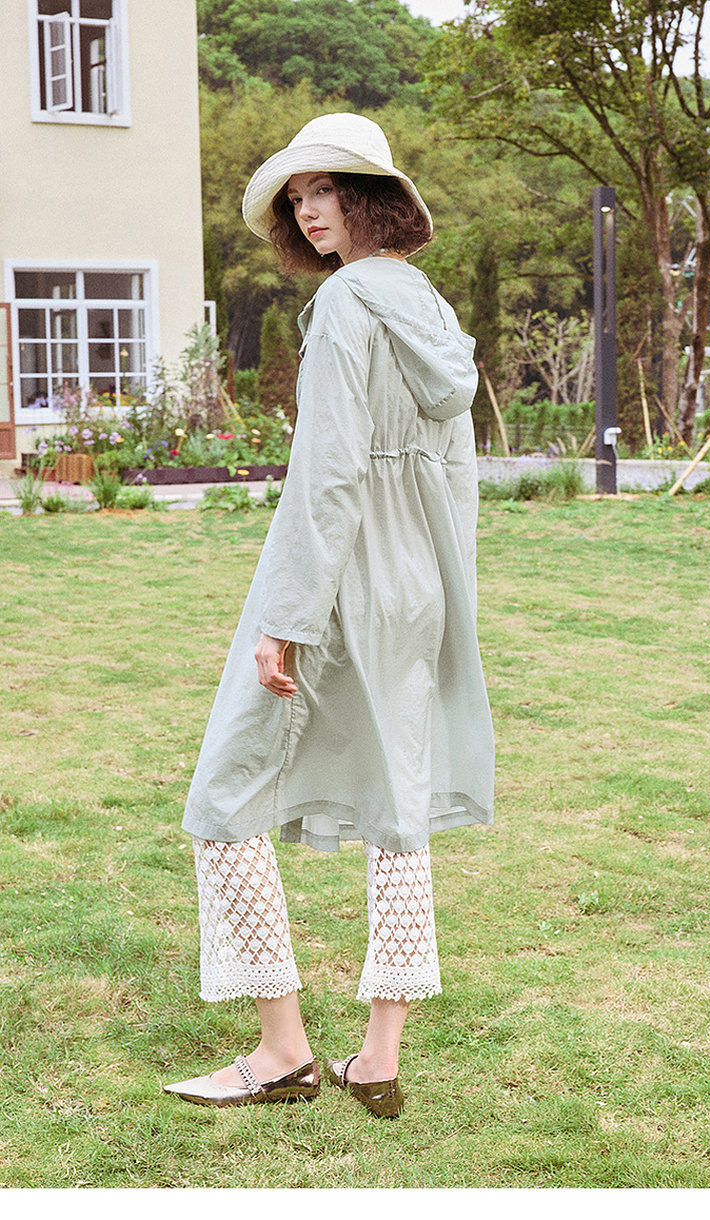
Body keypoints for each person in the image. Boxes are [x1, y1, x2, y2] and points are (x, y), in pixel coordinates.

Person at [164, 113, 495, 1119]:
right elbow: (456, 475)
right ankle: (377, 1057)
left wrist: (288, 616)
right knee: (399, 804)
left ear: (371, 199)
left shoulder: (349, 299)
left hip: (343, 578)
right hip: (417, 584)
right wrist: (442, 592)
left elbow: (329, 471)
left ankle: (282, 1051)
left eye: (326, 189)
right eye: (297, 196)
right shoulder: (427, 305)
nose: (308, 211)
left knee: (224, 798)